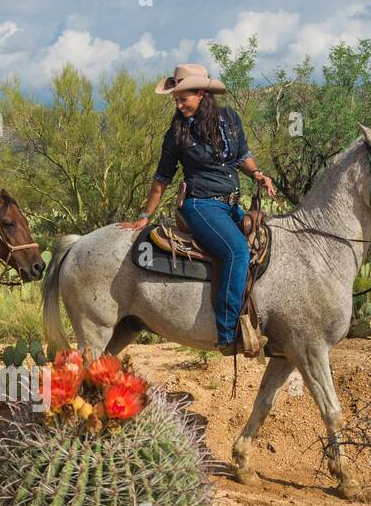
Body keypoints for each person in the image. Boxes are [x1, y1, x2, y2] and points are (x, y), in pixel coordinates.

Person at [119, 63, 277, 355]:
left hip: (232, 204)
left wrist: (257, 174)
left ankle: (265, 320)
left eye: (183, 98)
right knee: (237, 252)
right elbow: (161, 178)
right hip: (201, 205)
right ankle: (229, 334)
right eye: (176, 99)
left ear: (202, 93)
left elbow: (242, 156)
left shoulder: (229, 119)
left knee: (264, 244)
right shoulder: (177, 132)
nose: (179, 105)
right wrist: (144, 217)